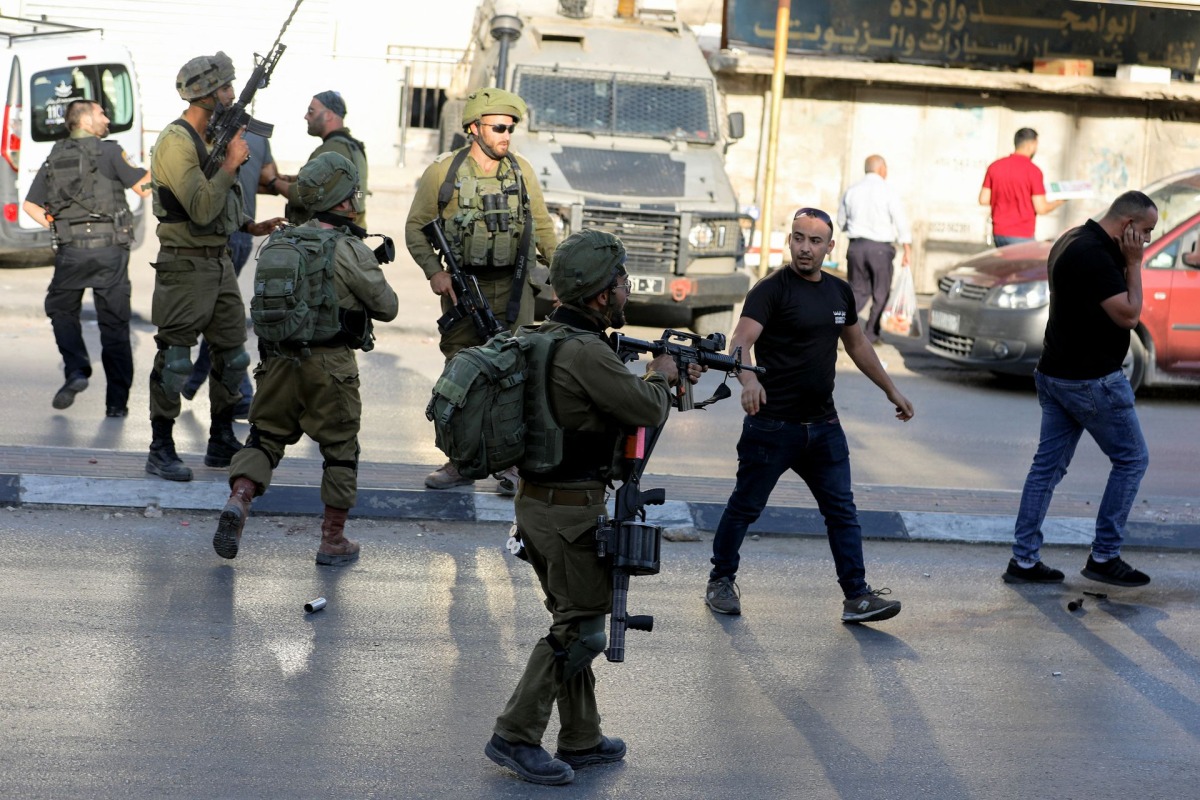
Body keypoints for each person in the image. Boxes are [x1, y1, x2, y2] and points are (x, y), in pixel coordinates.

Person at [485, 229, 699, 786]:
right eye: (622, 282)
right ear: (601, 295)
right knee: (583, 633)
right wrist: (662, 375)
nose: (627, 291)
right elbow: (644, 408)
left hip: (540, 506)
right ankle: (515, 734)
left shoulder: (547, 336)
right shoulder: (585, 352)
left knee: (572, 617)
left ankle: (580, 737)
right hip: (567, 514)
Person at [704, 207, 914, 623]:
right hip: (772, 426)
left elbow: (858, 346)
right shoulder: (771, 290)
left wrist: (892, 390)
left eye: (815, 241)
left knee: (842, 512)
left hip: (824, 428)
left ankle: (857, 596)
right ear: (790, 240)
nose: (805, 248)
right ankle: (720, 580)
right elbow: (740, 340)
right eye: (798, 238)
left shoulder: (839, 292)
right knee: (745, 506)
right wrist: (748, 380)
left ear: (830, 247)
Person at [214, 152, 398, 566]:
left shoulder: (279, 240)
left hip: (278, 362)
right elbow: (388, 307)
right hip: (330, 367)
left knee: (264, 438)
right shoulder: (350, 248)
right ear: (345, 202)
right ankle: (333, 540)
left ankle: (240, 499)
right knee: (340, 450)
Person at [405, 87, 558, 494]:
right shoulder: (443, 172)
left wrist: (562, 280)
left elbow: (542, 228)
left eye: (511, 128)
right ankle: (460, 461)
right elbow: (415, 228)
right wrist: (434, 273)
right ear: (474, 128)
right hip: (461, 289)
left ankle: (511, 467)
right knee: (460, 375)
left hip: (514, 289)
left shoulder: (521, 170)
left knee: (515, 375)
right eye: (499, 127)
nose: (507, 135)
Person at [1003, 191, 1155, 588]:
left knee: (1046, 468)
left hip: (1056, 373)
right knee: (1132, 459)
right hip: (1091, 381)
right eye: (1147, 232)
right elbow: (1129, 314)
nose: (1148, 240)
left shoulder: (1073, 237)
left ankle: (1023, 560)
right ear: (1128, 226)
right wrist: (1135, 263)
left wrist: (1126, 258)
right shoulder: (1095, 256)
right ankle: (1105, 555)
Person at [145, 52, 285, 482]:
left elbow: (218, 204)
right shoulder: (176, 142)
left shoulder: (210, 139)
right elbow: (201, 207)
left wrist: (248, 223)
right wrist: (230, 166)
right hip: (184, 267)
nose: (230, 94)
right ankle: (161, 447)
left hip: (219, 262)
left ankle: (221, 438)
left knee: (233, 356)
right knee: (175, 361)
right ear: (204, 94)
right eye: (225, 87)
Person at [22, 99, 150, 418]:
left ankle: (77, 370)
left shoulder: (55, 155)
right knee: (115, 325)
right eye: (102, 114)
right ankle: (116, 404)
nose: (107, 118)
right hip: (110, 252)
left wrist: (60, 225)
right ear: (85, 121)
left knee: (61, 309)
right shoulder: (109, 151)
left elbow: (30, 206)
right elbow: (144, 188)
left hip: (72, 252)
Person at [181, 131, 281, 416]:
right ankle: (200, 382)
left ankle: (237, 393)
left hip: (225, 231)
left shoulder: (211, 136)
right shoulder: (257, 138)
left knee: (220, 316)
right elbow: (268, 177)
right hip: (241, 232)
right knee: (220, 314)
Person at [836, 154, 912, 343]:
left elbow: (841, 221)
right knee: (881, 292)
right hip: (880, 250)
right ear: (881, 169)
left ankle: (837, 330)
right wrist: (907, 248)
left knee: (856, 291)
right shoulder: (888, 191)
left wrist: (854, 231)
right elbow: (900, 221)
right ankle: (870, 334)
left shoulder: (852, 190)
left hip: (856, 246)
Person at [276, 91, 369, 230]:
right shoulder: (351, 146)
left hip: (327, 241)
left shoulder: (332, 150)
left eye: (311, 111)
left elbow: (301, 195)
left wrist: (272, 181)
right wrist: (289, 178)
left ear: (329, 115)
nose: (306, 116)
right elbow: (331, 181)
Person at [979, 128, 1065, 247]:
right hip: (1022, 234)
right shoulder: (1033, 171)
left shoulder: (995, 166)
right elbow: (1041, 208)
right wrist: (1060, 201)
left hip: (998, 233)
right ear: (1031, 145)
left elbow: (983, 199)